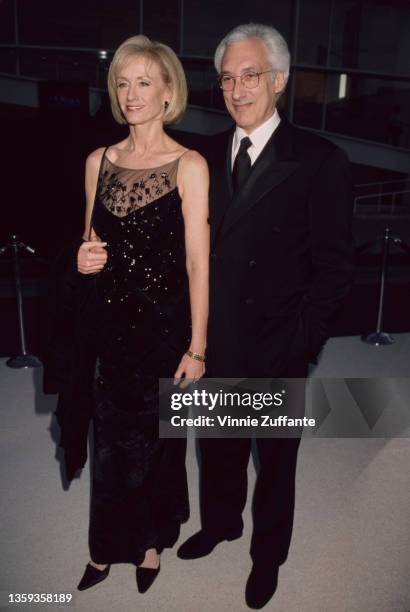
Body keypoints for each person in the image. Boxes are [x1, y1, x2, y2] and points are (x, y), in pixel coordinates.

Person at [177, 23, 354, 609]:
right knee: (218, 445)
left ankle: (268, 555)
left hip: (279, 340)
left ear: (277, 80)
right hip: (215, 335)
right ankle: (222, 523)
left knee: (275, 462)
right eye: (227, 77)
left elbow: (335, 269)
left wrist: (303, 340)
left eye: (250, 75)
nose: (236, 89)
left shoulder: (320, 159)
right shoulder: (199, 154)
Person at [74, 35, 209, 593]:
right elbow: (87, 241)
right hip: (109, 329)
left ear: (167, 91)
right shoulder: (97, 161)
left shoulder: (189, 164)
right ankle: (104, 548)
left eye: (144, 82)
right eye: (122, 83)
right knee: (107, 444)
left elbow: (200, 263)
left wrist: (197, 348)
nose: (131, 94)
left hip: (164, 329)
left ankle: (150, 544)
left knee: (156, 446)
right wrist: (82, 258)